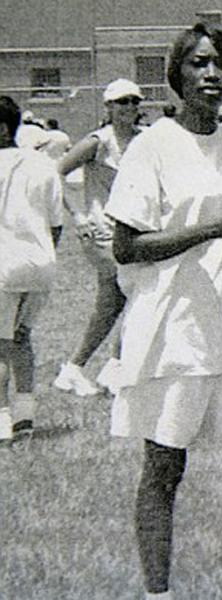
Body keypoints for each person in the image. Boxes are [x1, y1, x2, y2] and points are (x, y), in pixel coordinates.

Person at [103, 24, 222, 599]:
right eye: (198, 63)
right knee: (163, 469)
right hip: (176, 331)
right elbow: (126, 246)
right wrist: (215, 229)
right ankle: (158, 592)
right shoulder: (152, 146)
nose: (210, 74)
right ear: (177, 74)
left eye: (220, 64)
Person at [53, 78, 144, 396]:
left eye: (134, 101)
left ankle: (76, 368)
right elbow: (57, 172)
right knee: (138, 292)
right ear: (108, 106)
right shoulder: (97, 141)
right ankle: (115, 366)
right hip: (100, 231)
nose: (129, 108)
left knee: (112, 302)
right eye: (122, 102)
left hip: (131, 230)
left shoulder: (142, 140)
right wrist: (77, 215)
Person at [0, 96, 63, 441]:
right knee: (21, 337)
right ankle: (25, 415)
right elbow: (56, 223)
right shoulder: (43, 164)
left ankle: (1, 420)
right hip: (41, 264)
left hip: (4, 263)